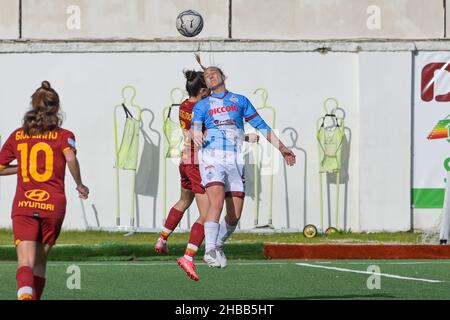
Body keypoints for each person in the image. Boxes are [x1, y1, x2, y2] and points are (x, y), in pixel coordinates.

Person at [192, 66, 296, 268]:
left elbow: (262, 126)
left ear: (224, 76)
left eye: (213, 72)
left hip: (235, 159)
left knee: (235, 215)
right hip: (212, 156)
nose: (210, 76)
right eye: (206, 76)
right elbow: (195, 128)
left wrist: (282, 148)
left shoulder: (240, 101)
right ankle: (209, 249)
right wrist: (196, 133)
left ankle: (217, 245)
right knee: (217, 200)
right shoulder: (202, 106)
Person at [0, 81, 89, 300]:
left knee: (25, 264)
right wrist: (80, 184)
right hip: (53, 205)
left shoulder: (18, 135)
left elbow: (0, 167)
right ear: (56, 108)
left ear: (33, 106)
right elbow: (71, 158)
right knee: (40, 264)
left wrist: (21, 167)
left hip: (24, 205)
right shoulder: (64, 134)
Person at [154, 70, 210, 281]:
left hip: (184, 161)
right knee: (207, 214)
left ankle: (162, 239)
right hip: (197, 163)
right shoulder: (202, 108)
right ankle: (190, 255)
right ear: (203, 90)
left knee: (183, 201)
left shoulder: (184, 105)